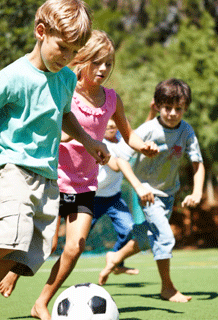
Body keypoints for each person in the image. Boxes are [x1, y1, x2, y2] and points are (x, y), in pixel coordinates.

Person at [4, 29, 157, 320]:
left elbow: (128, 135)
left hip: (85, 183)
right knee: (42, 243)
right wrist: (62, 137)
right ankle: (13, 270)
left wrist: (144, 146)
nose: (103, 69)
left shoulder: (112, 99)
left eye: (109, 64)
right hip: (52, 176)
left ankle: (41, 302)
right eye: (97, 62)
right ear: (82, 60)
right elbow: (52, 122)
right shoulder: (67, 88)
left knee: (75, 247)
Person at [0, 0, 113, 311]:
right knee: (10, 237)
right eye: (62, 47)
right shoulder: (12, 77)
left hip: (48, 177)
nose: (66, 57)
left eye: (73, 51)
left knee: (25, 253)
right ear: (41, 32)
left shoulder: (66, 78)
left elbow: (65, 116)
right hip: (14, 168)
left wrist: (91, 143)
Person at [98, 78, 205, 303]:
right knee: (164, 237)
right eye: (167, 108)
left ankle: (115, 256)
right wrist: (138, 186)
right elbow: (122, 160)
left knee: (147, 238)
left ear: (185, 108)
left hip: (168, 192)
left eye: (179, 108)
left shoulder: (186, 131)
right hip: (147, 193)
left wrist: (196, 192)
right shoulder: (147, 130)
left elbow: (197, 163)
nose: (173, 113)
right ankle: (167, 288)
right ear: (157, 105)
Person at [91, 118, 155, 275]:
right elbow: (115, 165)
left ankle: (117, 262)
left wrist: (152, 112)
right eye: (108, 120)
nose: (112, 124)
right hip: (90, 199)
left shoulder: (122, 141)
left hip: (113, 198)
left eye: (115, 120)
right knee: (77, 239)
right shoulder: (94, 140)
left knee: (128, 229)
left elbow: (138, 136)